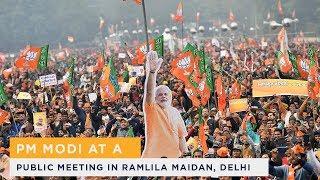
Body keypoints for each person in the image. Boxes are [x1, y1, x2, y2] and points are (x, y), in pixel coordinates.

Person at [141, 51, 188, 158]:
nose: (163, 96)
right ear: (155, 98)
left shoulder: (175, 112)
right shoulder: (151, 109)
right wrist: (152, 73)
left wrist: (186, 154)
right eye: (160, 94)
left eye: (166, 94)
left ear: (170, 96)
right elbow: (148, 92)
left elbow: (181, 137)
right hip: (153, 159)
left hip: (173, 160)